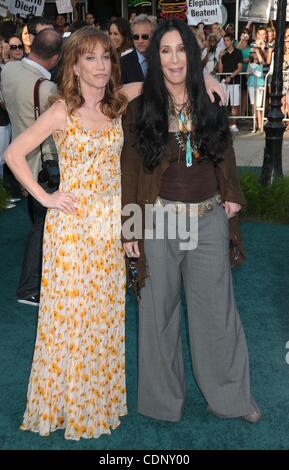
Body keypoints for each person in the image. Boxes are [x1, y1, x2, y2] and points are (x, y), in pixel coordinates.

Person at [4, 23, 226, 440]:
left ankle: (99, 399)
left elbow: (164, 80)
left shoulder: (117, 103)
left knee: (105, 319)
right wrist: (46, 197)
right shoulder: (60, 110)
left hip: (110, 230)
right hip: (72, 233)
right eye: (90, 57)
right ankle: (68, 403)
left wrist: (207, 76)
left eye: (106, 56)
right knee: (72, 320)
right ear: (73, 64)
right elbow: (14, 153)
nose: (101, 65)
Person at [121, 19, 261, 425]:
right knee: (157, 314)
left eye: (180, 49)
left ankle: (233, 399)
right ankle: (162, 405)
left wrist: (232, 194)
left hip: (207, 220)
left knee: (217, 313)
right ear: (155, 57)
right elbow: (129, 170)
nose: (174, 59)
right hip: (159, 220)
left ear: (192, 53)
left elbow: (226, 153)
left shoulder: (210, 99)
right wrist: (131, 228)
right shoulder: (139, 107)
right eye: (164, 51)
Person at [1, 29, 62, 306]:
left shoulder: (9, 71)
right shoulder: (47, 88)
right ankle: (29, 288)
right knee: (42, 226)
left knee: (38, 224)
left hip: (17, 158)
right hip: (41, 165)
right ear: (56, 58)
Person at [121, 14, 157, 84]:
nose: (140, 41)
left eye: (145, 36)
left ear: (154, 36)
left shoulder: (162, 59)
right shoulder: (123, 63)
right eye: (136, 37)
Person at [218, 33, 243, 133]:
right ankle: (223, 125)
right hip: (223, 82)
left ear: (232, 41)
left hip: (235, 82)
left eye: (227, 40)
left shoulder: (238, 52)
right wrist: (220, 58)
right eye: (224, 40)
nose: (225, 42)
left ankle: (233, 124)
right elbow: (220, 71)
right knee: (223, 104)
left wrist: (231, 76)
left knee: (234, 104)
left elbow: (240, 68)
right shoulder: (223, 53)